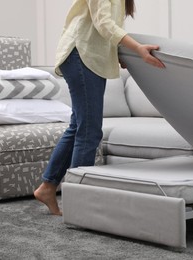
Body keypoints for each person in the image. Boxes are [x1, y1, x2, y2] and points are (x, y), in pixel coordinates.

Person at [34, 0, 165, 215]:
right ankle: (78, 203)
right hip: (81, 55)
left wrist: (119, 54)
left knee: (79, 127)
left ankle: (48, 188)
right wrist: (137, 48)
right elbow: (103, 23)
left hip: (89, 58)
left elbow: (104, 29)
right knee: (89, 131)